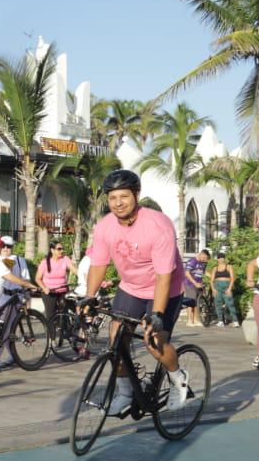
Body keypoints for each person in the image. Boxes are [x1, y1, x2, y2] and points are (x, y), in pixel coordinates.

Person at [80, 169, 191, 413]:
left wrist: (158, 315)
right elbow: (98, 264)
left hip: (165, 289)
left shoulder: (157, 225)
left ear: (136, 195)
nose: (118, 203)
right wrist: (90, 295)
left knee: (154, 343)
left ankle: (177, 377)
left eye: (124, 197)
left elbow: (164, 276)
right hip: (130, 288)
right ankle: (126, 392)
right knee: (116, 341)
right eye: (112, 198)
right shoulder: (105, 226)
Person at [0, 236, 41, 368]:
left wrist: (27, 296)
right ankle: (5, 356)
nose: (5, 249)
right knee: (2, 329)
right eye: (3, 246)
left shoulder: (20, 260)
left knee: (7, 329)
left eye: (8, 246)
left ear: (12, 247)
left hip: (14, 298)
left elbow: (25, 278)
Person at [36, 240, 75, 323]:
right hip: (49, 291)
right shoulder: (45, 262)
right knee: (50, 315)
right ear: (52, 250)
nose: (62, 251)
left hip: (63, 290)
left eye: (62, 249)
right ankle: (51, 335)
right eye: (59, 249)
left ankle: (65, 334)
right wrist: (44, 288)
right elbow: (38, 278)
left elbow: (75, 270)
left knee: (65, 314)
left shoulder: (65, 259)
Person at [207, 251, 237, 326]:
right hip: (217, 286)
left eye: (222, 258)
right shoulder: (215, 268)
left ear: (224, 259)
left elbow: (232, 278)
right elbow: (211, 280)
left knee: (230, 303)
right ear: (217, 259)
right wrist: (213, 289)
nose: (221, 259)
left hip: (227, 286)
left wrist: (229, 288)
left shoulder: (229, 266)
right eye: (219, 258)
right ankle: (220, 321)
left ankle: (235, 321)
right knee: (218, 303)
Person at [183, 249, 210, 327]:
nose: (205, 260)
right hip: (190, 284)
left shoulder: (203, 263)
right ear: (201, 254)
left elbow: (204, 272)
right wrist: (195, 283)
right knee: (191, 302)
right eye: (204, 258)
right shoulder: (192, 261)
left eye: (206, 259)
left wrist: (213, 277)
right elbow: (187, 273)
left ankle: (196, 320)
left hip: (199, 284)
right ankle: (189, 321)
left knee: (197, 303)